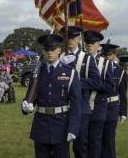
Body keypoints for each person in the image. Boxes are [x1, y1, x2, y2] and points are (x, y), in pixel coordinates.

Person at [21, 34, 82, 158]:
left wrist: (73, 128)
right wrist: (25, 106)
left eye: (53, 49)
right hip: (41, 124)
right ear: (43, 51)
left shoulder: (70, 73)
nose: (50, 52)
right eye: (46, 49)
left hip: (61, 124)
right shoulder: (36, 73)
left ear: (59, 50)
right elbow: (30, 97)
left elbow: (76, 103)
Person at [60, 26, 101, 158]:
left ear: (79, 38)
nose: (69, 40)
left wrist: (74, 82)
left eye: (72, 38)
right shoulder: (59, 57)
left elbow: (97, 82)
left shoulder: (87, 58)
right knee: (60, 146)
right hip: (62, 107)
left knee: (80, 146)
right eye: (67, 38)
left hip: (81, 107)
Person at [84, 30, 114, 158]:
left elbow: (109, 86)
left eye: (92, 43)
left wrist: (85, 83)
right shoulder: (79, 61)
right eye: (87, 43)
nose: (89, 45)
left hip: (98, 107)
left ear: (98, 45)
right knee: (81, 143)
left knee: (95, 142)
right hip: (81, 106)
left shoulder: (105, 63)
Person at [100, 44, 128, 158]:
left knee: (110, 136)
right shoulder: (96, 68)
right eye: (104, 54)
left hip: (112, 107)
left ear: (114, 55)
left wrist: (123, 112)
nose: (107, 56)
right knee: (98, 137)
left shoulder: (120, 71)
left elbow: (123, 93)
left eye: (109, 54)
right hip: (98, 106)